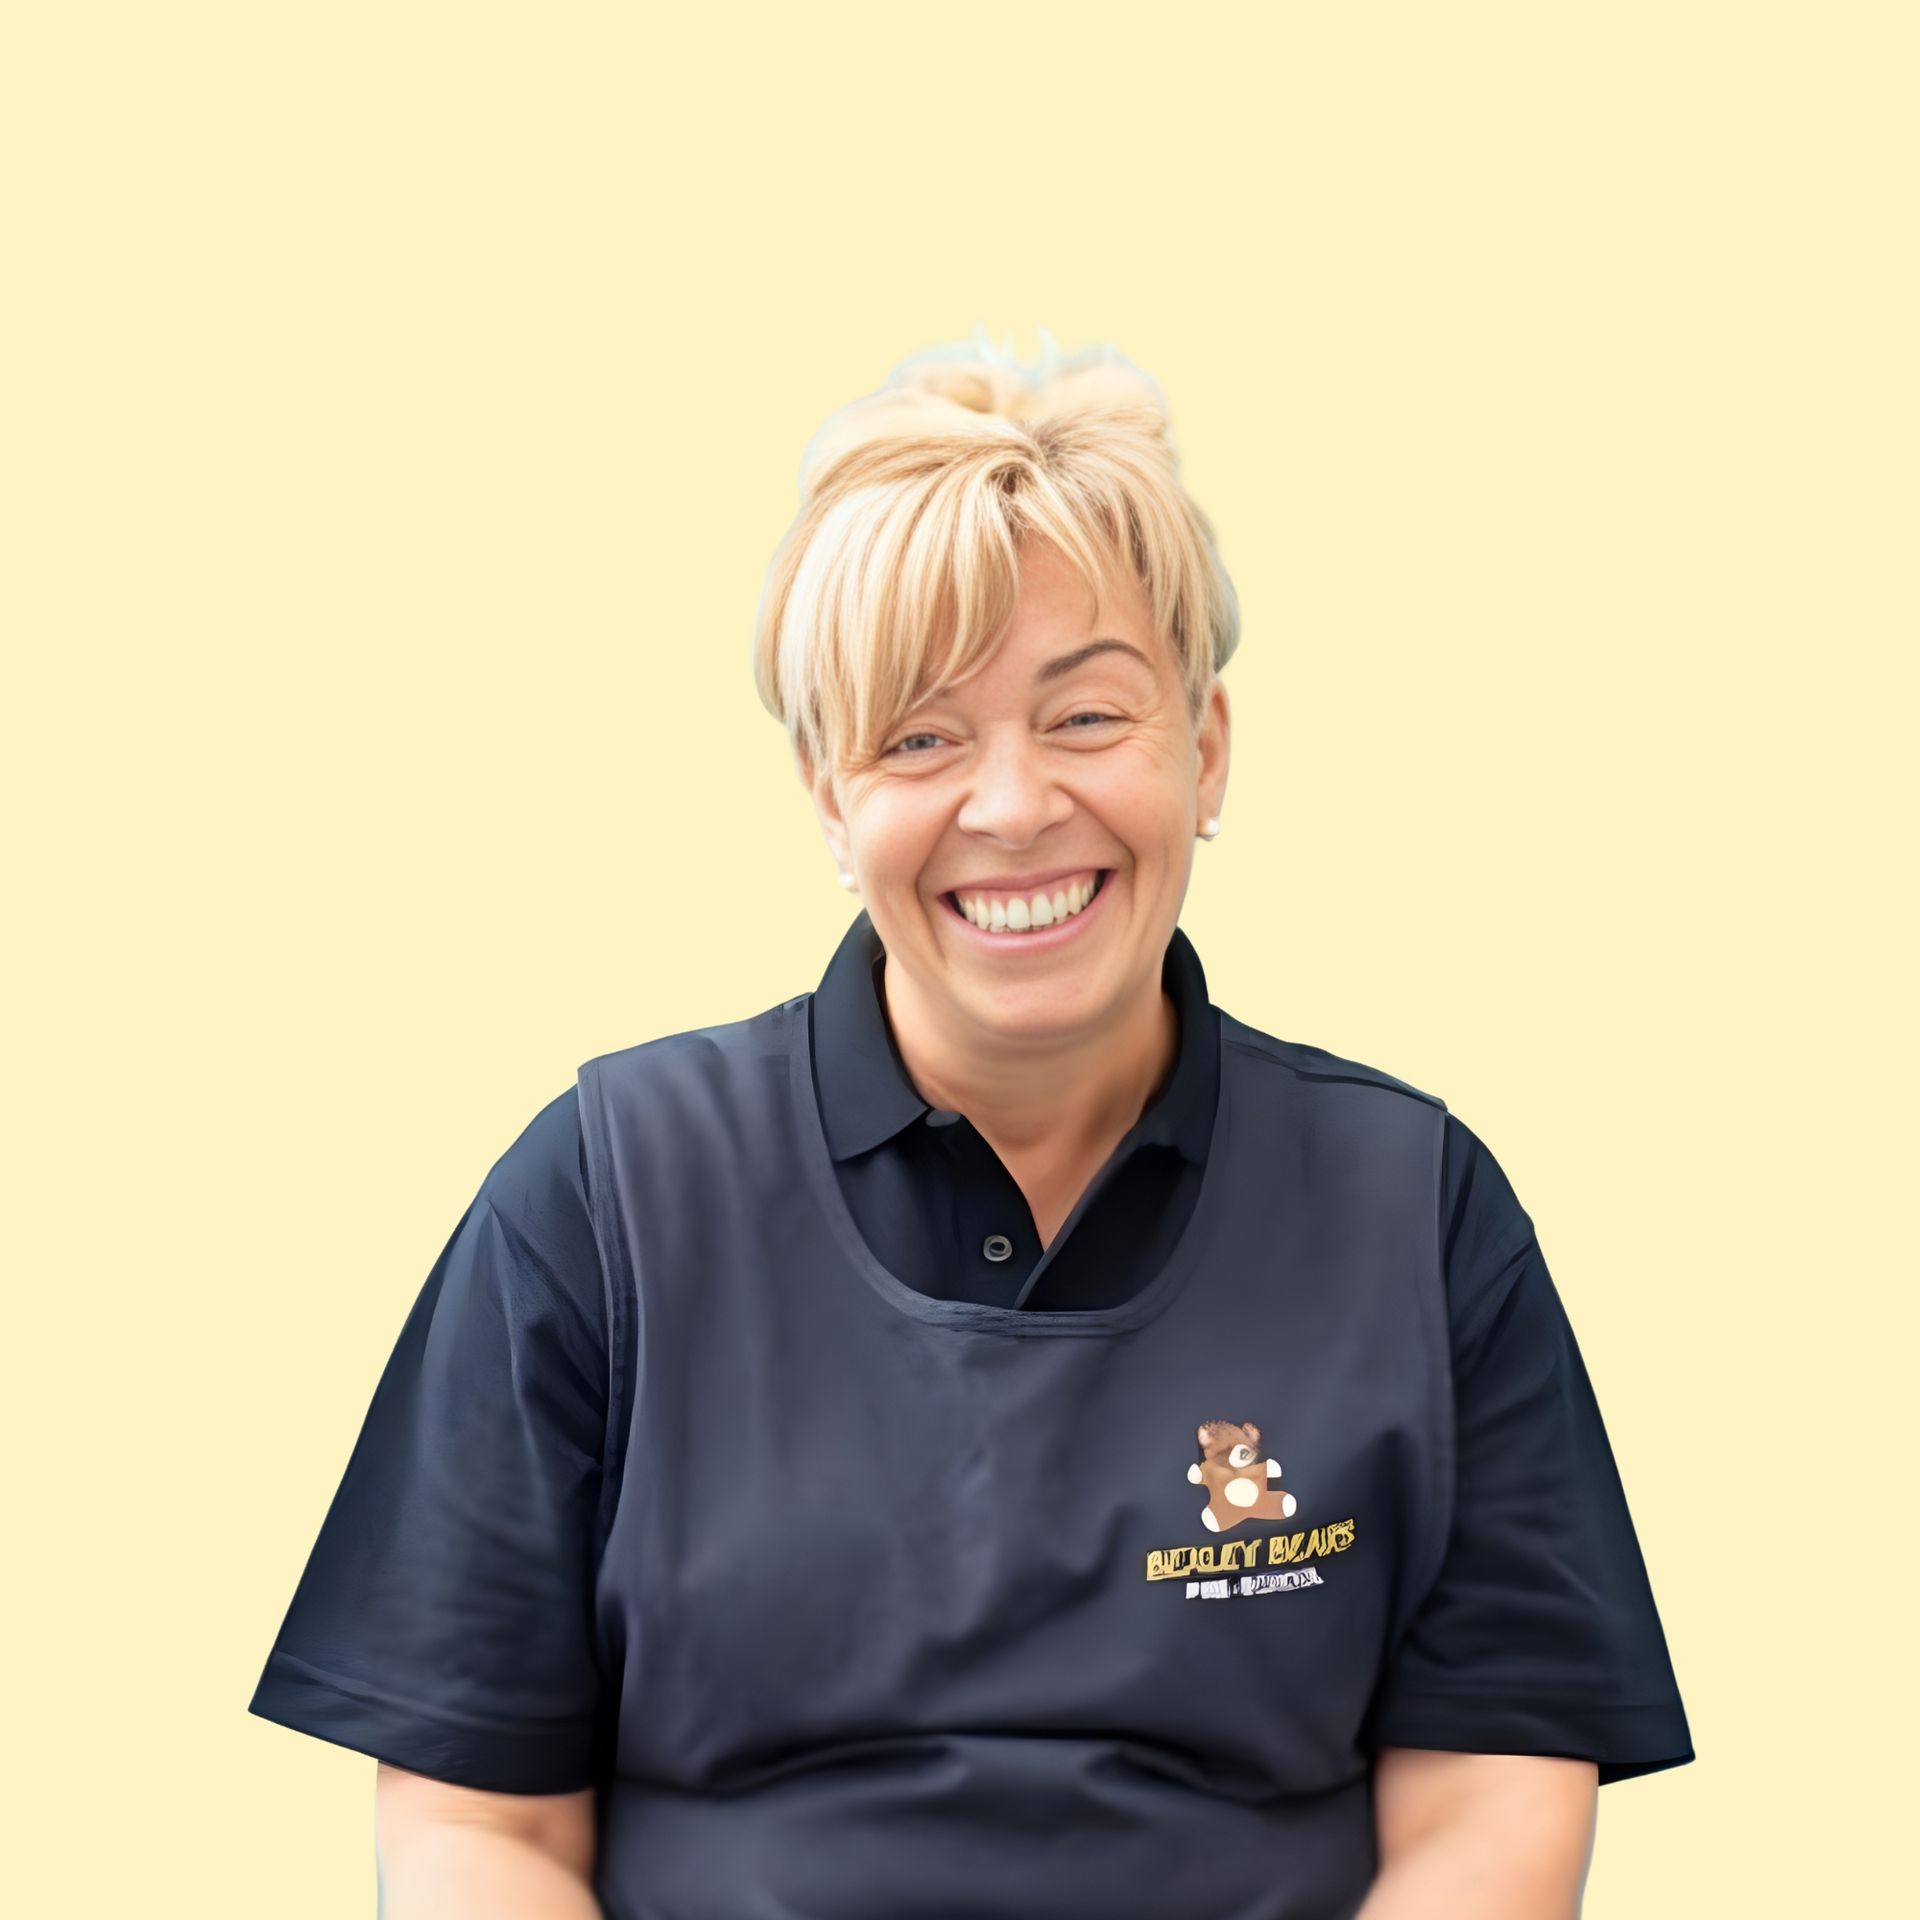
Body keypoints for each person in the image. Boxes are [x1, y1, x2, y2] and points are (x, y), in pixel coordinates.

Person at [248, 332, 1693, 1919]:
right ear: (825, 793)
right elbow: (475, 1838)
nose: (1010, 808)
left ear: (1205, 750)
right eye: (921, 737)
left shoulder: (1414, 1211)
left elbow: (1489, 1820)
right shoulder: (597, 1203)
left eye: (1086, 719)